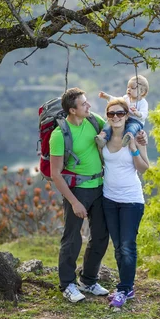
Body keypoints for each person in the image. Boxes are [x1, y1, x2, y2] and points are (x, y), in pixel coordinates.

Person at [50, 87, 110, 303]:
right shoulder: (60, 135)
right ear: (72, 110)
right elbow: (55, 174)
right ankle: (67, 284)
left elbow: (113, 128)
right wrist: (74, 202)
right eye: (84, 104)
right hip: (77, 191)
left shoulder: (93, 120)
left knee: (101, 235)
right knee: (72, 237)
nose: (89, 106)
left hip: (101, 187)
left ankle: (88, 280)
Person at [100, 97, 150, 309]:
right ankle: (126, 287)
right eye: (111, 114)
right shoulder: (105, 138)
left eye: (120, 113)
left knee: (128, 246)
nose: (116, 117)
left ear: (127, 115)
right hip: (109, 199)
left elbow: (144, 167)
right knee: (119, 246)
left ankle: (124, 289)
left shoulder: (137, 137)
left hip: (131, 200)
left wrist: (134, 148)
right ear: (108, 117)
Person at [97, 75, 149, 148]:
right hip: (125, 118)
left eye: (132, 88)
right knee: (108, 124)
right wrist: (107, 97)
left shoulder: (143, 102)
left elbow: (144, 114)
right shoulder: (126, 98)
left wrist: (138, 113)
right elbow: (117, 101)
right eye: (128, 87)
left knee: (132, 128)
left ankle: (127, 138)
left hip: (136, 121)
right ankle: (103, 137)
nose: (129, 89)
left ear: (142, 92)